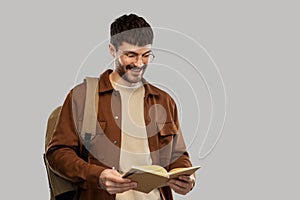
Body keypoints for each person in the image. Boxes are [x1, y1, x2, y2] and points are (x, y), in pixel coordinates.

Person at [46, 13, 196, 200]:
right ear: (112, 50)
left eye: (146, 55)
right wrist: (97, 176)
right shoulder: (82, 97)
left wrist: (185, 176)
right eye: (131, 55)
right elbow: (57, 154)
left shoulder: (164, 101)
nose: (139, 63)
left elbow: (178, 155)